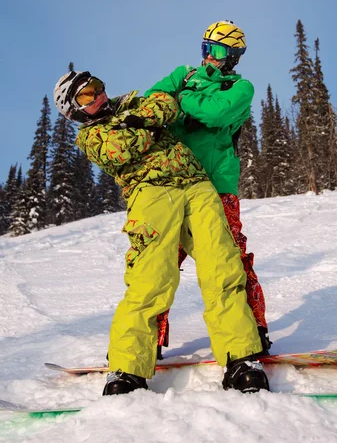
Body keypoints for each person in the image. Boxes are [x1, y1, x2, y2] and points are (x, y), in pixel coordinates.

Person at [53, 70, 269, 396]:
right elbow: (120, 148)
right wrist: (147, 123)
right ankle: (128, 369)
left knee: (223, 267)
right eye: (86, 95)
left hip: (197, 185)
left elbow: (166, 105)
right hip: (151, 192)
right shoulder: (90, 136)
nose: (97, 95)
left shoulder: (131, 102)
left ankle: (242, 359)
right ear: (74, 110)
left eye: (96, 86)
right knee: (150, 279)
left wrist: (141, 120)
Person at [145, 20, 271, 358]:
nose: (208, 58)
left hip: (216, 185)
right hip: (174, 183)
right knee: (158, 260)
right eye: (206, 48)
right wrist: (177, 97)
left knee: (230, 257)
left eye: (216, 51)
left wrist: (181, 100)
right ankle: (149, 339)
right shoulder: (184, 74)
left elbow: (216, 114)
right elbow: (151, 101)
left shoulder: (240, 88)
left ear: (233, 56)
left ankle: (254, 328)